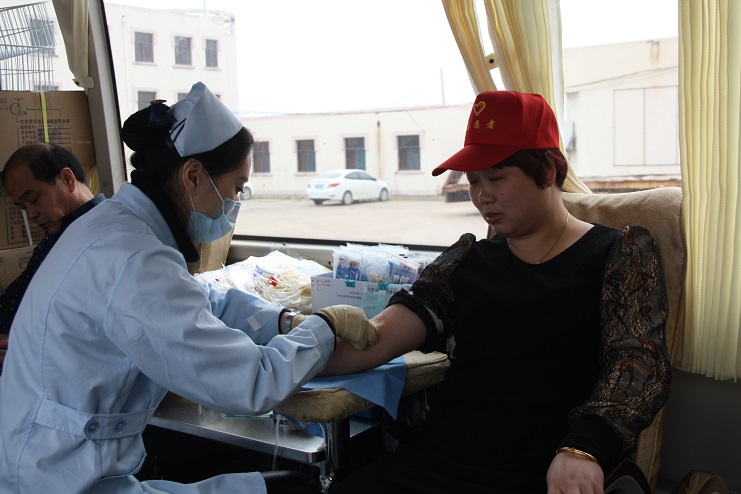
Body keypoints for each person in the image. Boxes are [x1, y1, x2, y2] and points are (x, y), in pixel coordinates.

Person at [0, 82, 378, 494]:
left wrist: (285, 321)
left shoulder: (115, 227)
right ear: (193, 175)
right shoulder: (133, 257)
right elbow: (250, 382)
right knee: (293, 488)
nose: (234, 202)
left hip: (57, 462)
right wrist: (325, 327)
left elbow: (203, 300)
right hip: (59, 479)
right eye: (236, 188)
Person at [325, 91, 672, 493]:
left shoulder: (618, 254)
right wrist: (293, 352)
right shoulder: (466, 260)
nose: (481, 195)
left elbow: (639, 361)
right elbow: (380, 334)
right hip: (438, 456)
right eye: (474, 181)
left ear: (546, 170)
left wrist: (584, 449)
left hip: (546, 465)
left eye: (496, 178)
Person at [0, 143, 105, 335]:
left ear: (67, 179)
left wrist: (27, 339)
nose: (31, 214)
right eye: (23, 207)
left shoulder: (102, 236)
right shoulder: (60, 232)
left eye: (34, 200)